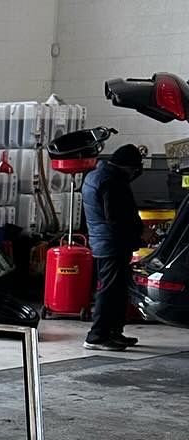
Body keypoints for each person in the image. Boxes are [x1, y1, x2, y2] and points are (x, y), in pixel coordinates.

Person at [82, 143, 145, 350]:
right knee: (109, 291)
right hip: (111, 243)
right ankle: (97, 336)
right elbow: (117, 217)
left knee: (117, 290)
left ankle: (113, 332)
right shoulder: (111, 180)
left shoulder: (96, 175)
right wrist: (140, 232)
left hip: (105, 241)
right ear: (128, 167)